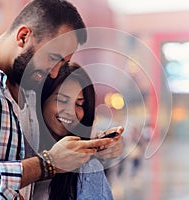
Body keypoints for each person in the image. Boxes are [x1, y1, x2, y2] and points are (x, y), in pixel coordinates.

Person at [0, 0, 120, 199]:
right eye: (53, 58)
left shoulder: (28, 87)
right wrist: (48, 164)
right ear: (23, 36)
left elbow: (54, 130)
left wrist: (98, 144)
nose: (54, 73)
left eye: (63, 63)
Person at [33, 62, 123, 199]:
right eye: (62, 100)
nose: (71, 112)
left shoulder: (87, 168)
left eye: (79, 104)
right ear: (42, 99)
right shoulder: (21, 152)